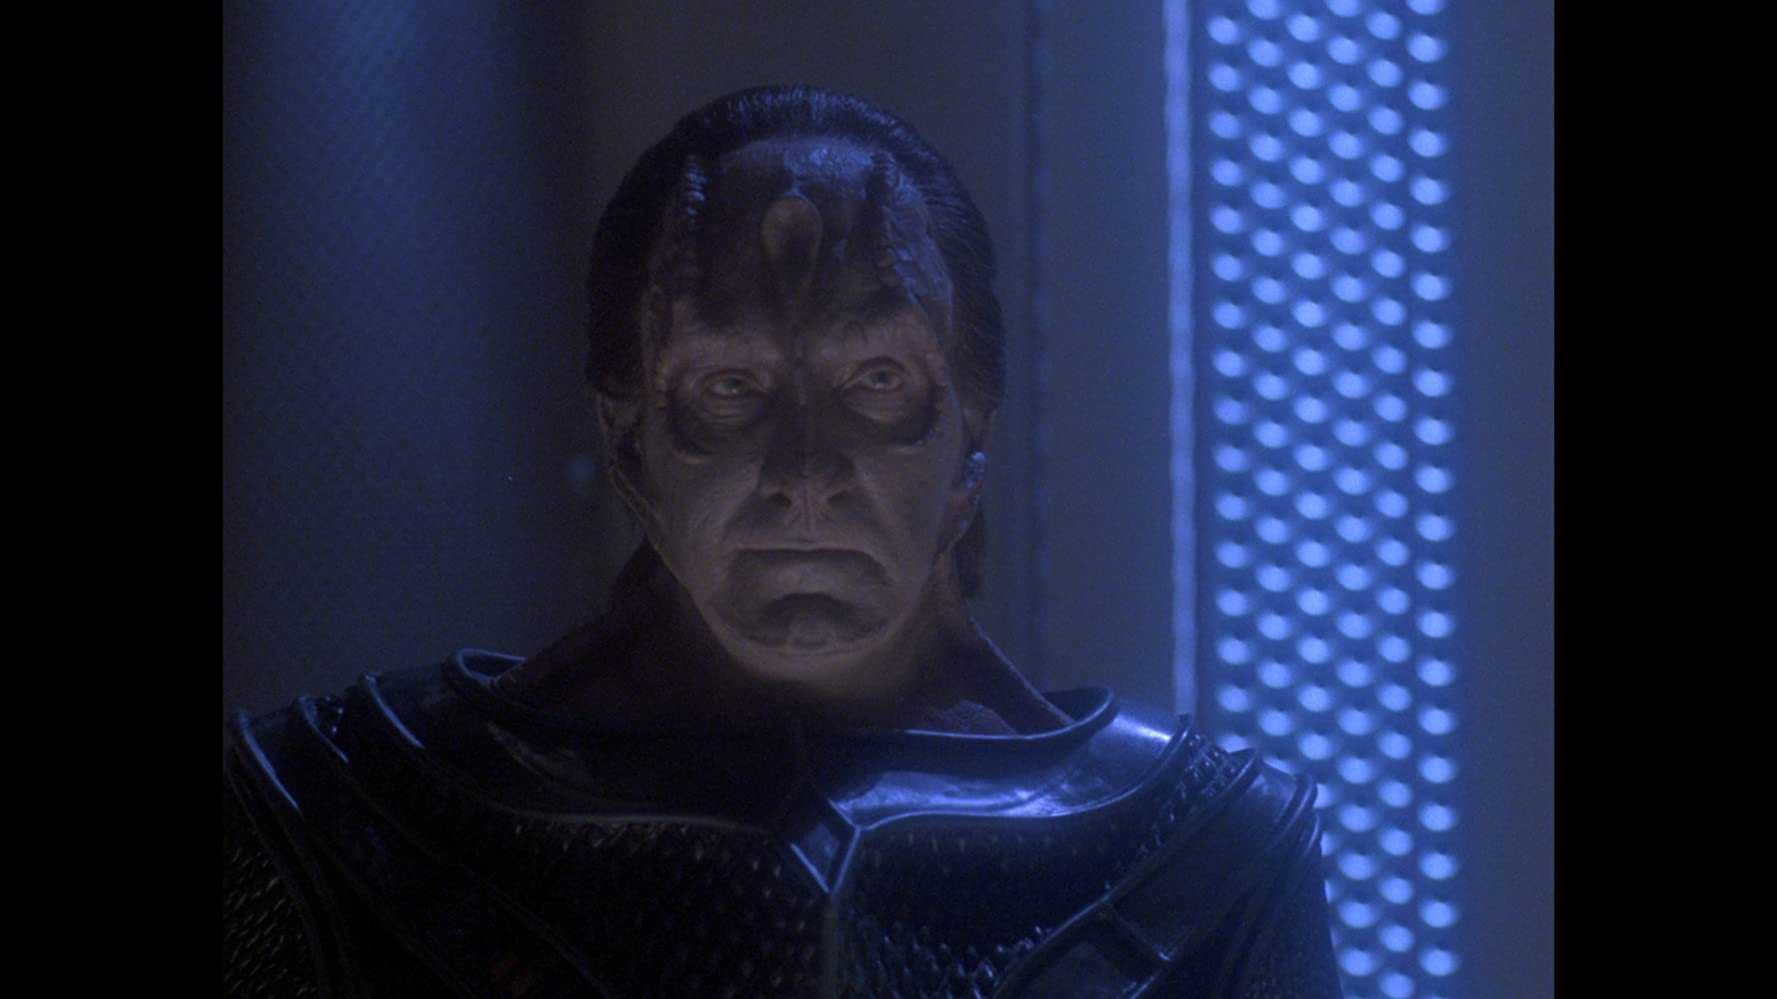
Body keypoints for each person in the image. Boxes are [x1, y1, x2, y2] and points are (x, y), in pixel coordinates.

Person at [225, 84, 1344, 998]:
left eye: (875, 382)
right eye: (731, 386)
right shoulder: (345, 818)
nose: (804, 476)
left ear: (970, 436)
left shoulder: (1201, 859)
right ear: (630, 441)